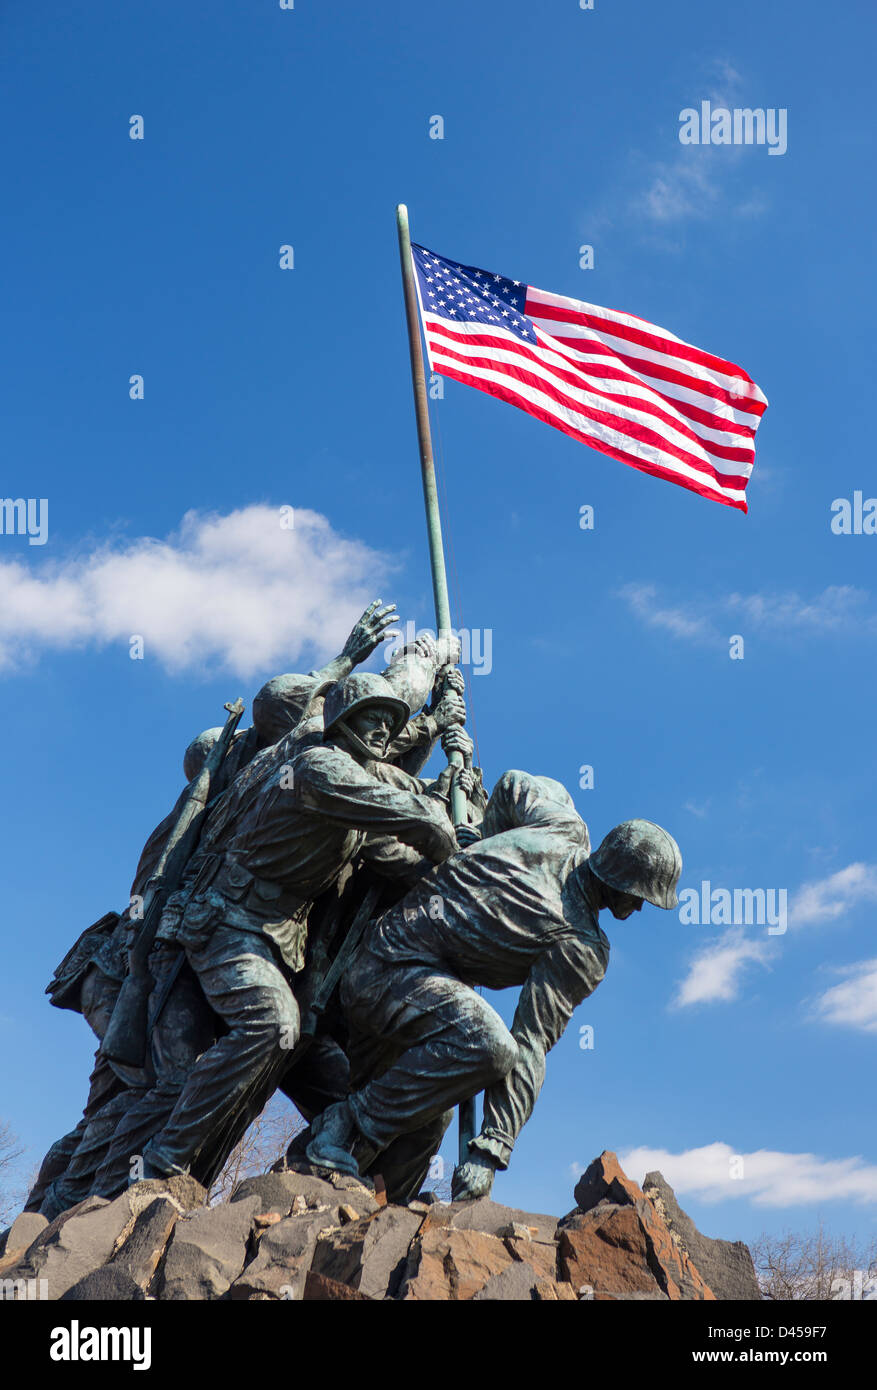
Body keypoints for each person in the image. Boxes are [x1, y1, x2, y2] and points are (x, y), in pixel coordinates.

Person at [304, 773, 681, 1204]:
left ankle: (370, 1204)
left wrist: (485, 837)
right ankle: (344, 1123)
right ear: (618, 876)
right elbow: (528, 1043)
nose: (637, 908)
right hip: (387, 966)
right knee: (488, 1046)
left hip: (408, 989)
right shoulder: (581, 945)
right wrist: (492, 1148)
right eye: (638, 895)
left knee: (432, 1118)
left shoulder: (561, 822)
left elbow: (513, 786)